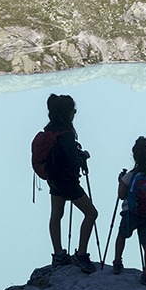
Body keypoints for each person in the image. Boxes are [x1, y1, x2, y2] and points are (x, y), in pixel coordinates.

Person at [44, 93, 99, 273]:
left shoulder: (50, 130)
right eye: (73, 111)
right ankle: (81, 255)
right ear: (67, 113)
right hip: (68, 181)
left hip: (54, 179)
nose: (75, 113)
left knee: (56, 215)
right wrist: (81, 156)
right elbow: (71, 159)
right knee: (91, 213)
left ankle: (58, 254)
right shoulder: (66, 135)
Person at [112, 136, 146, 284]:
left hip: (130, 213)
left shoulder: (130, 175)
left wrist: (120, 181)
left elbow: (121, 195)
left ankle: (117, 263)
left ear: (134, 155)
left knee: (122, 235)